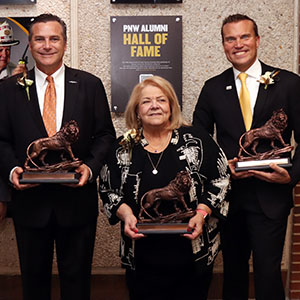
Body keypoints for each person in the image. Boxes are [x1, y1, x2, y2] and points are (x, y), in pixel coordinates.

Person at [0, 13, 116, 300]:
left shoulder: (90, 85)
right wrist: (13, 169)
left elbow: (105, 136)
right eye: (39, 39)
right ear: (30, 43)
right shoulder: (7, 89)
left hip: (76, 204)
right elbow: (0, 139)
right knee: (34, 285)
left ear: (65, 44)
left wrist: (89, 167)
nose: (47, 45)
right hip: (30, 204)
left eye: (54, 38)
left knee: (77, 286)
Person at [193, 13, 300, 300]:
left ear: (257, 40)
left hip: (271, 197)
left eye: (244, 37)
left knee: (268, 275)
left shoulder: (288, 83)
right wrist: (221, 169)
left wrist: (291, 175)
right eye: (231, 38)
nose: (238, 44)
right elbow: (198, 144)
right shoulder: (212, 88)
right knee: (233, 275)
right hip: (229, 199)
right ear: (224, 45)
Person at [99, 76, 230, 300]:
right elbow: (107, 189)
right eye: (146, 101)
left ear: (171, 106)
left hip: (193, 251)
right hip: (142, 255)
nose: (154, 106)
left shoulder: (196, 139)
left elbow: (221, 179)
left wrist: (201, 213)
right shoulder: (123, 147)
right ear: (137, 111)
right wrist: (127, 214)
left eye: (161, 100)